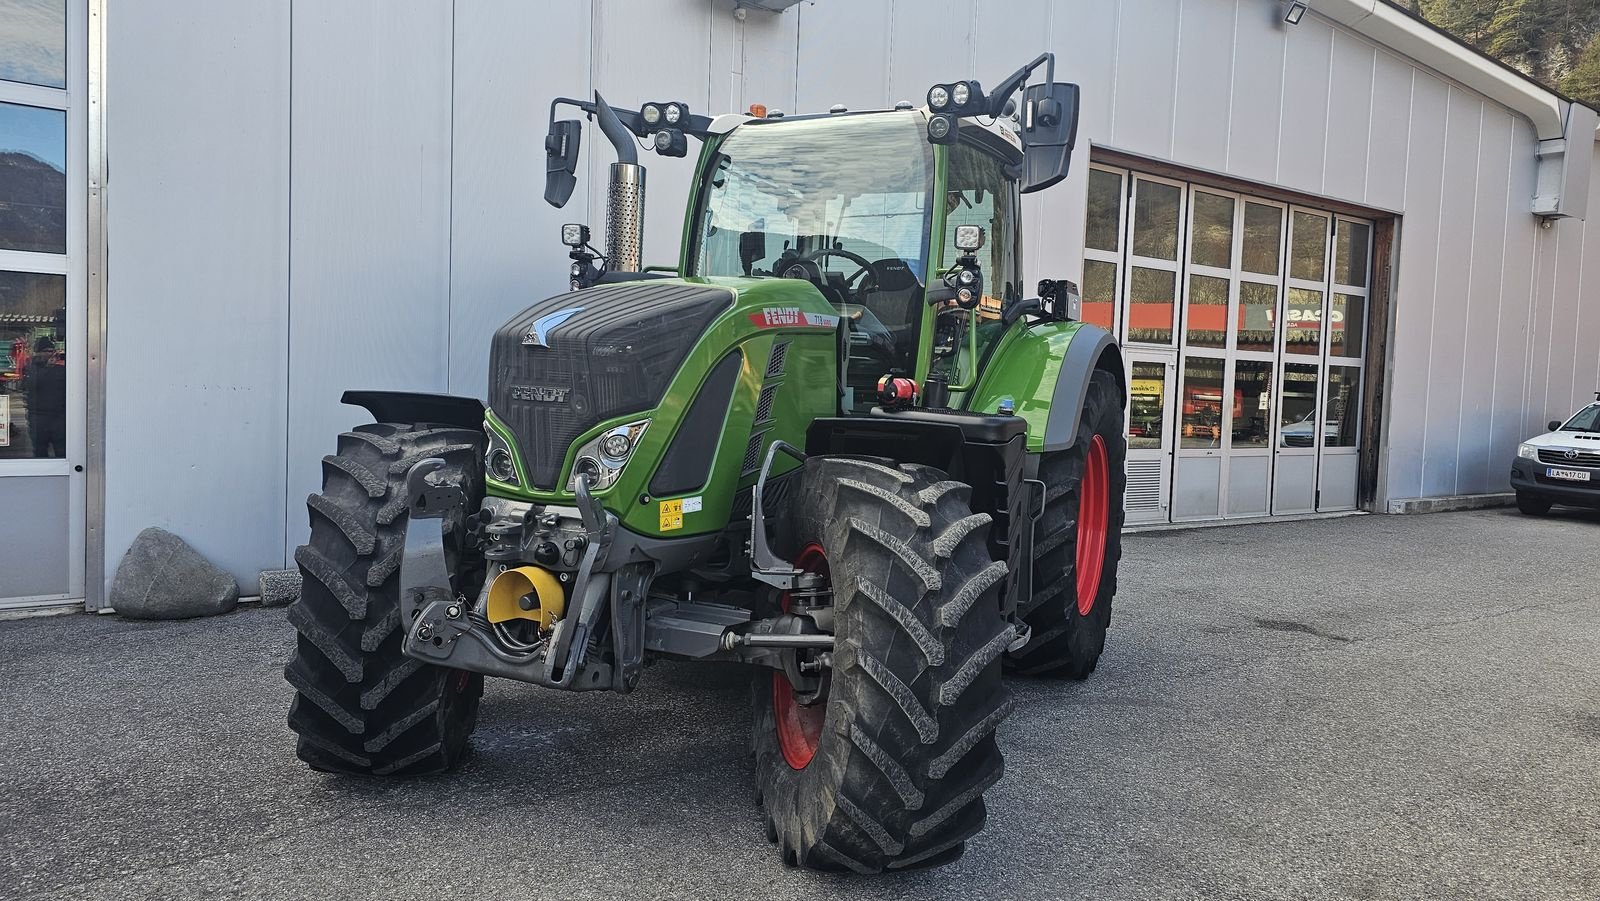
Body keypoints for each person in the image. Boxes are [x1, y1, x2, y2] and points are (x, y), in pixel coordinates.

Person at [25, 336, 65, 458]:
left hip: (59, 417)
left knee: (62, 451)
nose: (50, 354)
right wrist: (48, 367)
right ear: (39, 353)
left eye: (52, 351)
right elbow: (31, 385)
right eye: (47, 351)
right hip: (38, 417)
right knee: (40, 452)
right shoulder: (31, 368)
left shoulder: (61, 369)